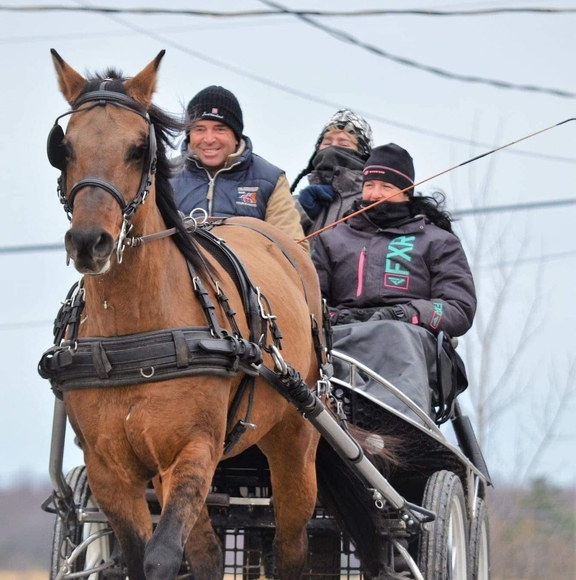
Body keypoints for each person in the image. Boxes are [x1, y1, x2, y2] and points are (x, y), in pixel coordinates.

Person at [312, 143, 476, 422]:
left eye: (386, 187)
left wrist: (405, 314)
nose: (375, 194)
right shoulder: (331, 239)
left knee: (393, 334)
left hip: (410, 340)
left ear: (406, 191)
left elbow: (459, 309)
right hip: (341, 335)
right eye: (370, 184)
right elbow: (310, 302)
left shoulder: (437, 241)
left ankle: (402, 424)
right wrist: (336, 316)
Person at [171, 85, 307, 248]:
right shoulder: (163, 174)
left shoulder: (270, 180)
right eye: (199, 129)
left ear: (236, 136)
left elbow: (294, 249)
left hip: (249, 272)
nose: (209, 139)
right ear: (189, 135)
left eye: (220, 129)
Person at [291, 109, 373, 235]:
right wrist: (300, 210)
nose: (332, 148)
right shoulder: (295, 202)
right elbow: (269, 241)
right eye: (327, 143)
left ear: (363, 154)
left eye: (344, 144)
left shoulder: (369, 201)